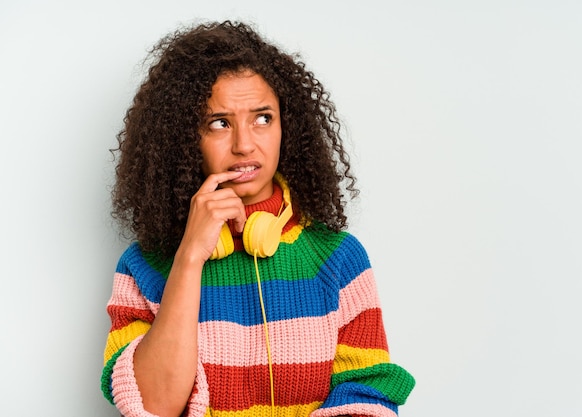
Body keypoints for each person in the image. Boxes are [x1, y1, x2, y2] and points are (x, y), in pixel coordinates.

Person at [101, 20, 415, 417]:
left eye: (263, 117)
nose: (244, 144)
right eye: (219, 123)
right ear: (184, 137)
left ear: (288, 126)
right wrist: (189, 258)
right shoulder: (143, 266)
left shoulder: (339, 258)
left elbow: (367, 396)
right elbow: (153, 406)